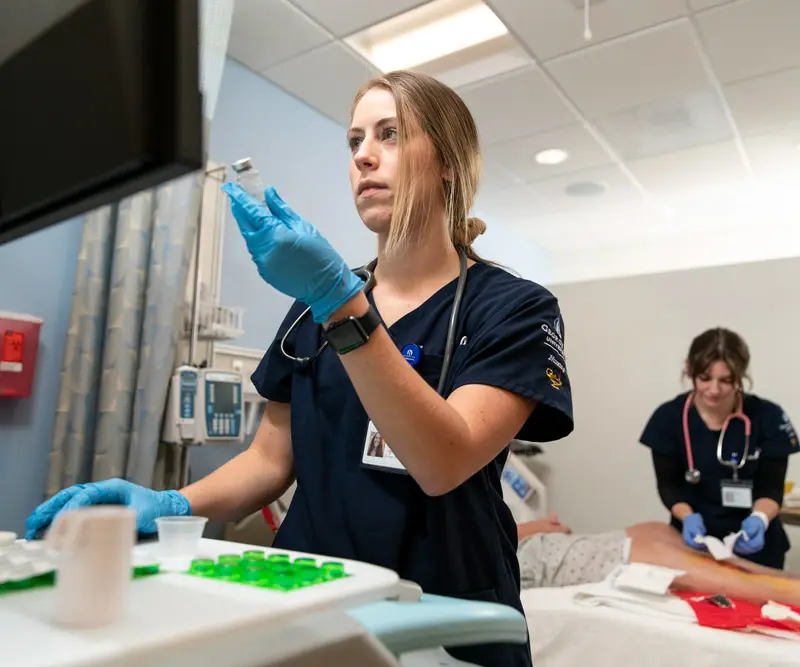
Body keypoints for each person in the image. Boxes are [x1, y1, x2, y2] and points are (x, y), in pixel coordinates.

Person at [25, 71, 574, 667]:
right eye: (354, 140)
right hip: (308, 598)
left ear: (448, 162)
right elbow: (269, 459)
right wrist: (173, 504)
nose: (363, 156)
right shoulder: (314, 305)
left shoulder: (514, 308)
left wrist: (340, 303)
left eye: (389, 134)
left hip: (444, 614)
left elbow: (444, 463)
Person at [640, 327, 798, 570]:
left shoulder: (769, 417)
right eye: (705, 378)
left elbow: (771, 487)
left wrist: (760, 519)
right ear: (689, 370)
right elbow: (669, 486)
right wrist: (688, 518)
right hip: (693, 545)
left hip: (759, 549)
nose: (714, 390)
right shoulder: (668, 418)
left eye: (726, 380)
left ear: (741, 375)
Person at [516, 516, 800, 608]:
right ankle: (785, 591)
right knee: (672, 561)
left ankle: (781, 578)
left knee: (657, 531)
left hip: (540, 545)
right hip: (538, 560)